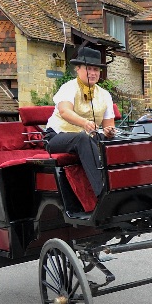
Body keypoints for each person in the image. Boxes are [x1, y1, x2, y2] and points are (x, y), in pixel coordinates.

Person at [45, 44, 115, 196]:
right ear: (77, 69)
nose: (93, 73)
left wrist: (109, 132)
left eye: (96, 69)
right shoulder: (68, 88)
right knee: (82, 138)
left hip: (88, 138)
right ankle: (102, 194)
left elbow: (109, 126)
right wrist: (84, 123)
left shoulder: (105, 95)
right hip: (57, 137)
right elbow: (64, 111)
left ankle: (123, 187)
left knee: (115, 141)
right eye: (89, 68)